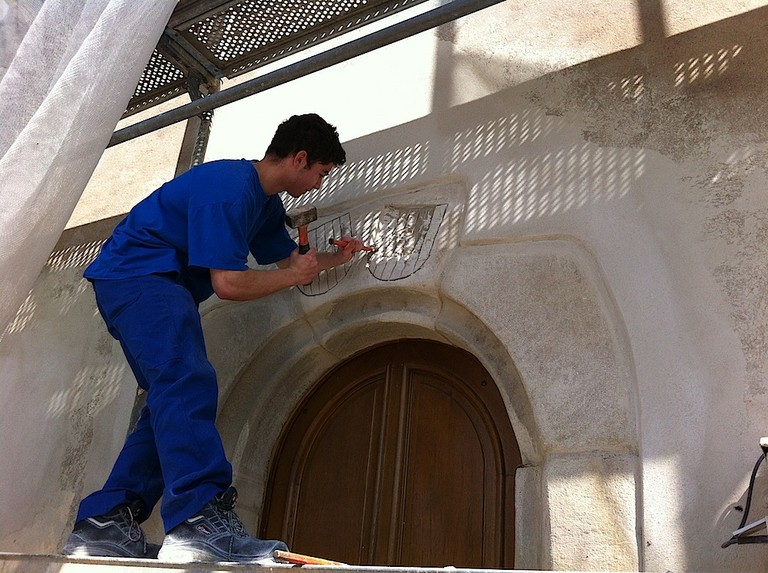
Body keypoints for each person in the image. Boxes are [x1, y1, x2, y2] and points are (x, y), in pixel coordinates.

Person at [62, 113, 364, 563]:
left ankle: (105, 522)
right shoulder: (230, 187)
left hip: (150, 284)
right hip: (140, 277)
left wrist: (338, 258)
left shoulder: (263, 204)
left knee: (170, 398)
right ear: (300, 159)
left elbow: (290, 263)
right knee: (187, 381)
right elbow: (229, 283)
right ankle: (198, 523)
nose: (320, 183)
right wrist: (293, 276)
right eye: (320, 172)